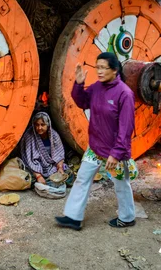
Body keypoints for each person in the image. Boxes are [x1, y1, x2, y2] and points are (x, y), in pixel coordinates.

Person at [56, 52, 136, 230]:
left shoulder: (125, 94)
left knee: (121, 185)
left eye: (103, 68)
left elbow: (126, 128)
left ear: (115, 70)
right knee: (82, 179)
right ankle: (73, 217)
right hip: (95, 147)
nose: (99, 71)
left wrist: (116, 154)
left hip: (115, 152)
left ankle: (128, 217)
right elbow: (82, 102)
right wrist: (78, 84)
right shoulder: (97, 88)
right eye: (97, 67)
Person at [20, 112, 65, 185]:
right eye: (37, 125)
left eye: (42, 125)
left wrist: (60, 167)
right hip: (34, 167)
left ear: (48, 125)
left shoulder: (54, 136)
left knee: (67, 175)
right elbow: (29, 160)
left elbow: (59, 155)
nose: (39, 128)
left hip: (51, 166)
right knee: (27, 179)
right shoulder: (29, 136)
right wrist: (38, 176)